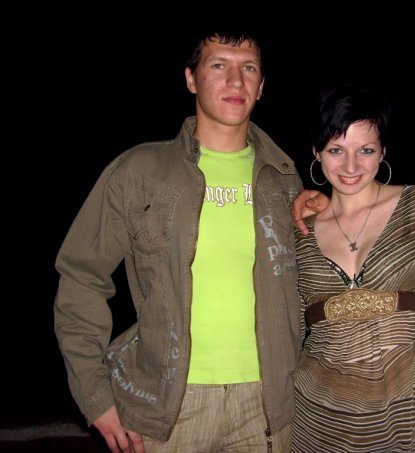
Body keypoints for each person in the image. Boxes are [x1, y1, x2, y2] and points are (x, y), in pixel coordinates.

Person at [54, 31, 302, 452]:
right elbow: (82, 277)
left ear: (261, 86)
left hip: (269, 406)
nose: (236, 80)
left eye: (248, 68)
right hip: (168, 407)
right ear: (191, 79)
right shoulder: (139, 172)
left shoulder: (284, 178)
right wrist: (95, 396)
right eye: (218, 65)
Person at [292, 84, 415, 452]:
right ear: (316, 151)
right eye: (336, 150)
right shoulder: (299, 231)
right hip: (316, 418)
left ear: (383, 151)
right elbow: (290, 327)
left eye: (366, 150)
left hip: (404, 414)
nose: (351, 166)